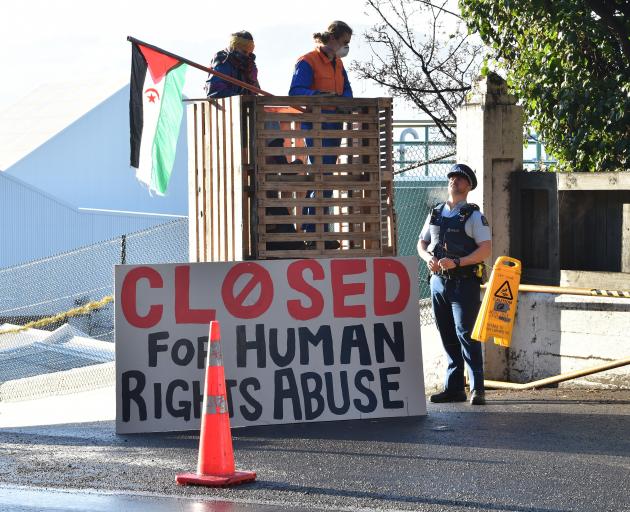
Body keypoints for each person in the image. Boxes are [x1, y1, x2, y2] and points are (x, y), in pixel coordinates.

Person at [417, 163, 492, 406]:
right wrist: (429, 258)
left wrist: (458, 261)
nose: (454, 181)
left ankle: (477, 388)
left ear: (469, 186)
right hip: (438, 282)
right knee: (447, 334)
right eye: (452, 177)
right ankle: (454, 387)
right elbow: (422, 242)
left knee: (466, 334)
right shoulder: (435, 213)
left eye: (460, 178)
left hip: (463, 283)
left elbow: (486, 250)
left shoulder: (473, 216)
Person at [288, 21, 353, 244]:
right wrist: (321, 96)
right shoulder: (307, 61)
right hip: (316, 125)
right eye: (345, 42)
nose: (346, 47)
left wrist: (343, 102)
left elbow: (347, 92)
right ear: (333, 39)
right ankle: (316, 230)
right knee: (320, 178)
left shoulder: (339, 64)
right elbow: (296, 92)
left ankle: (314, 228)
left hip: (334, 124)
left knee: (325, 179)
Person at [206, 31, 260, 98]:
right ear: (234, 47)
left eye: (249, 52)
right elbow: (214, 91)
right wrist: (240, 98)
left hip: (249, 106)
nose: (247, 55)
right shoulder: (223, 62)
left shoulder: (251, 66)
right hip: (226, 107)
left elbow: (255, 91)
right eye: (244, 51)